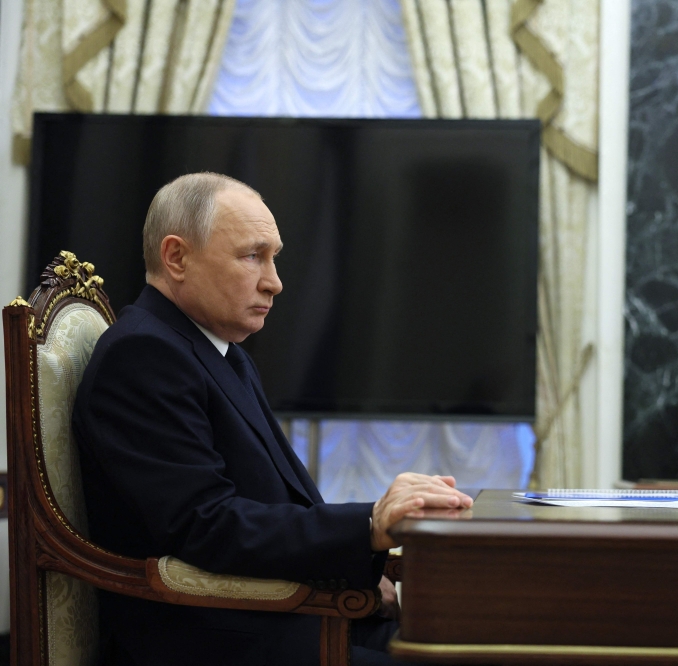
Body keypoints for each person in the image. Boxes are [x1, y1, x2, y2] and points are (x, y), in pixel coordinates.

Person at [72, 172, 473, 666]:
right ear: (177, 257)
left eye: (274, 257)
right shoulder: (143, 355)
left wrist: (364, 571)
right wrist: (368, 523)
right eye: (252, 255)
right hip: (219, 639)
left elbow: (266, 501)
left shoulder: (215, 348)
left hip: (286, 616)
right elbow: (208, 526)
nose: (275, 281)